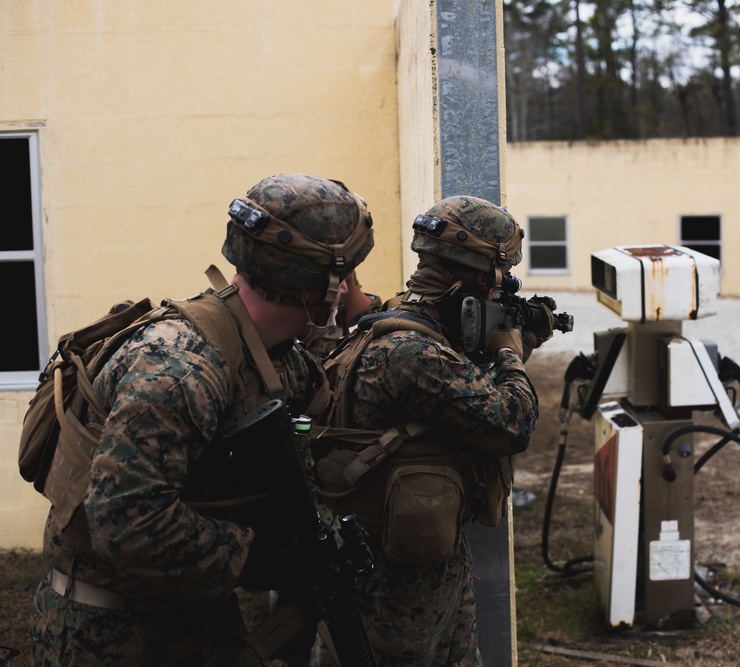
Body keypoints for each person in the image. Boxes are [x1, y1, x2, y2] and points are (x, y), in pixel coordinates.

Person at [28, 173, 375, 667]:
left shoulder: (274, 356)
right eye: (346, 276)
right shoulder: (179, 369)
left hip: (192, 619)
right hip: (113, 635)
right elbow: (126, 520)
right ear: (321, 286)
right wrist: (255, 556)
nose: (349, 289)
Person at [315, 195, 554, 666]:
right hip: (396, 590)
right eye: (500, 276)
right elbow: (512, 424)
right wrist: (510, 352)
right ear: (483, 276)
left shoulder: (406, 318)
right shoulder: (411, 352)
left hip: (425, 565)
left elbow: (459, 391)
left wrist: (515, 335)